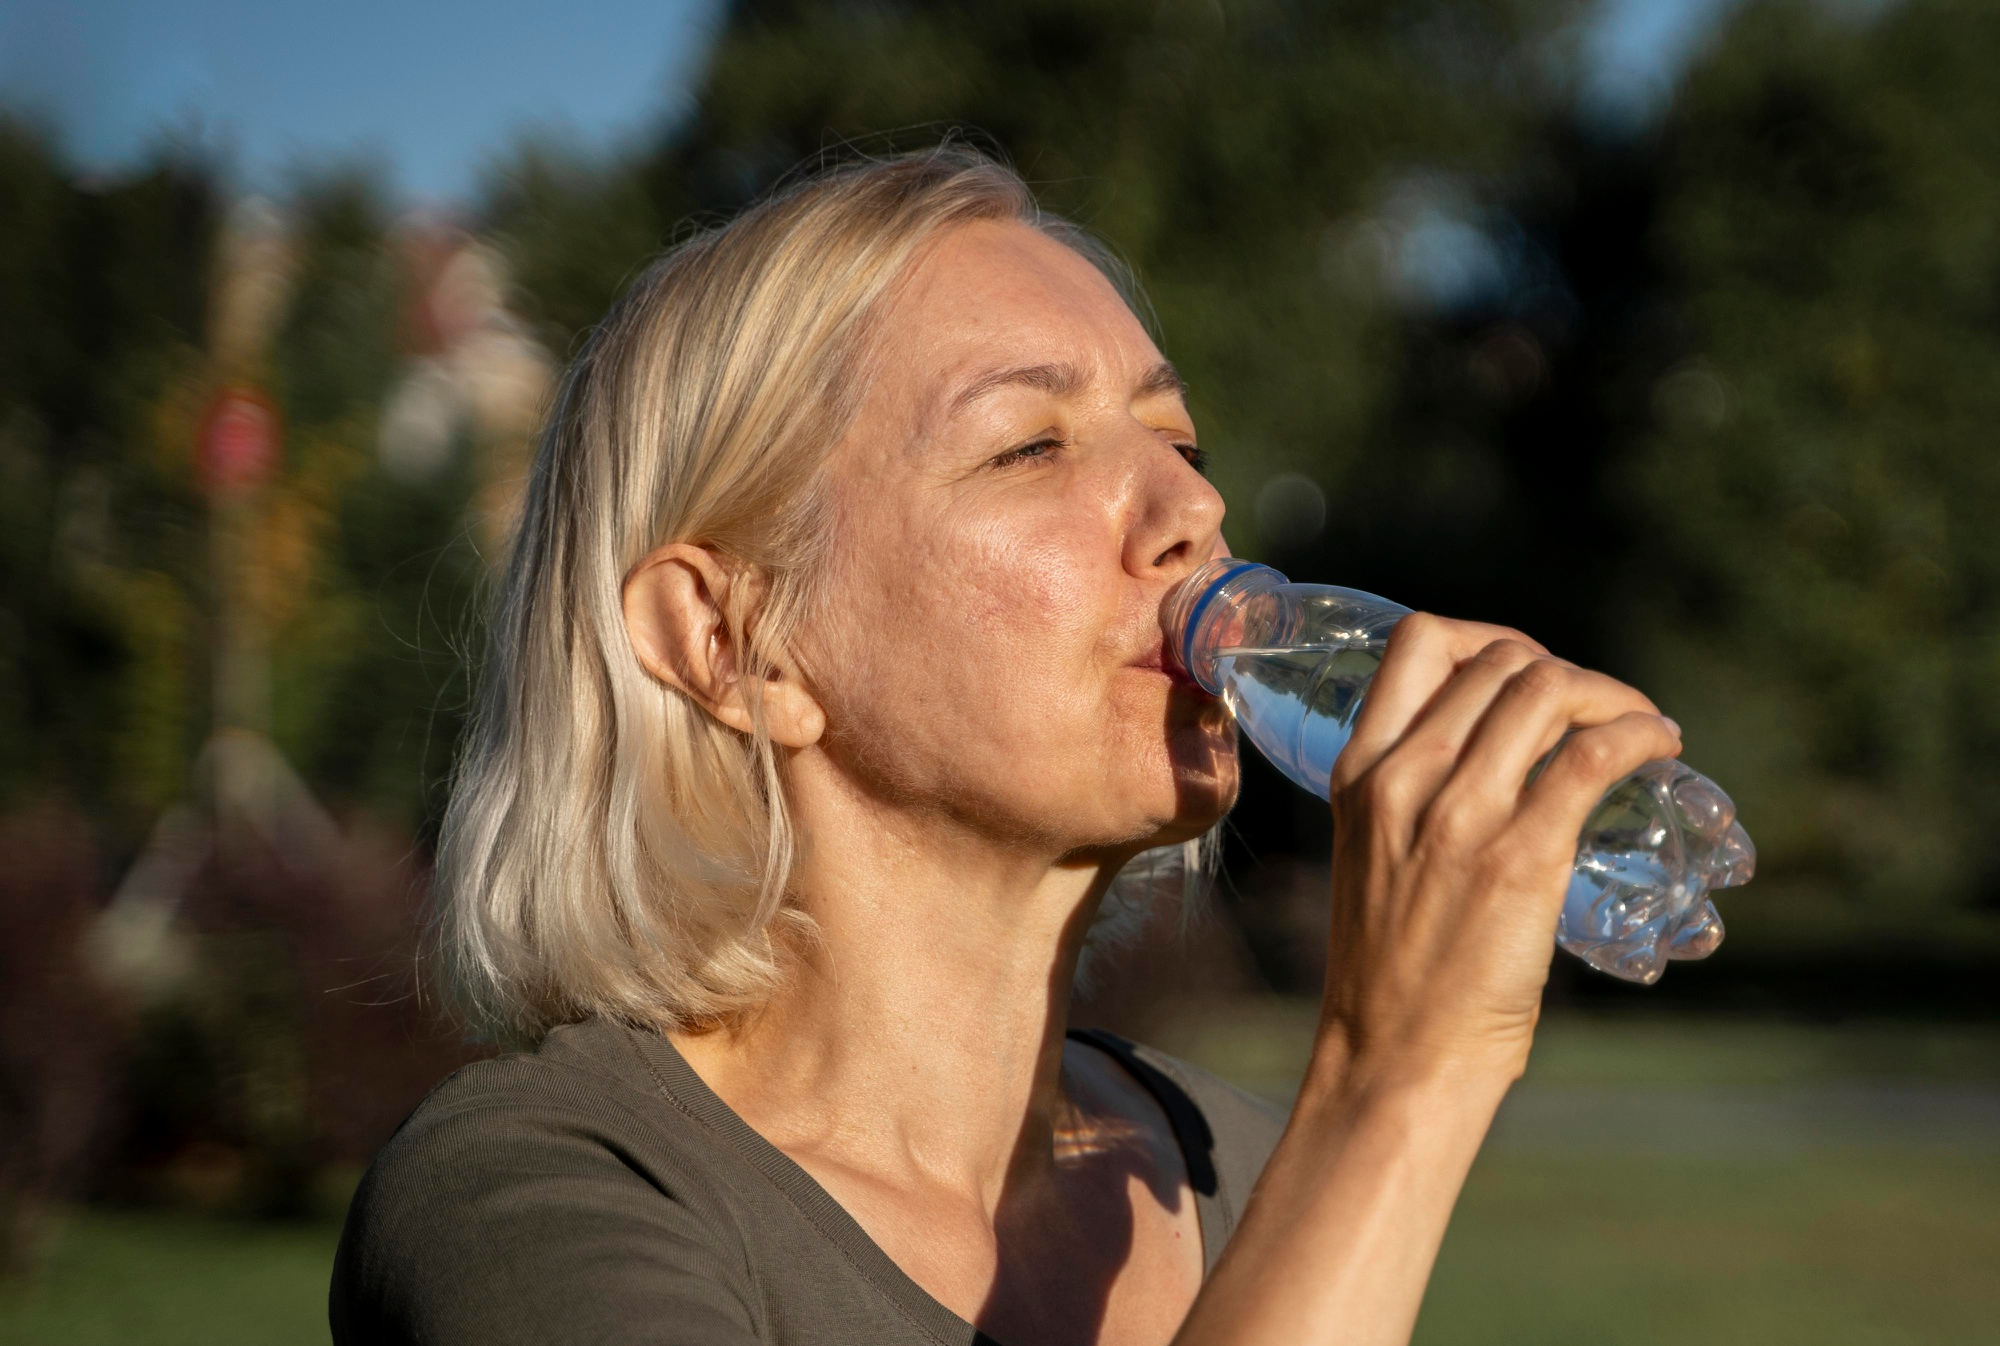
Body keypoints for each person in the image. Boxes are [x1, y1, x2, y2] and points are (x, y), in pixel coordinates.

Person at [330, 146, 1681, 1346]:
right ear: (726, 639)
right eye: (1031, 446)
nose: (1194, 506)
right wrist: (1394, 1080)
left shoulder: (1238, 1169)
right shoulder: (543, 1197)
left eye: (1177, 435)